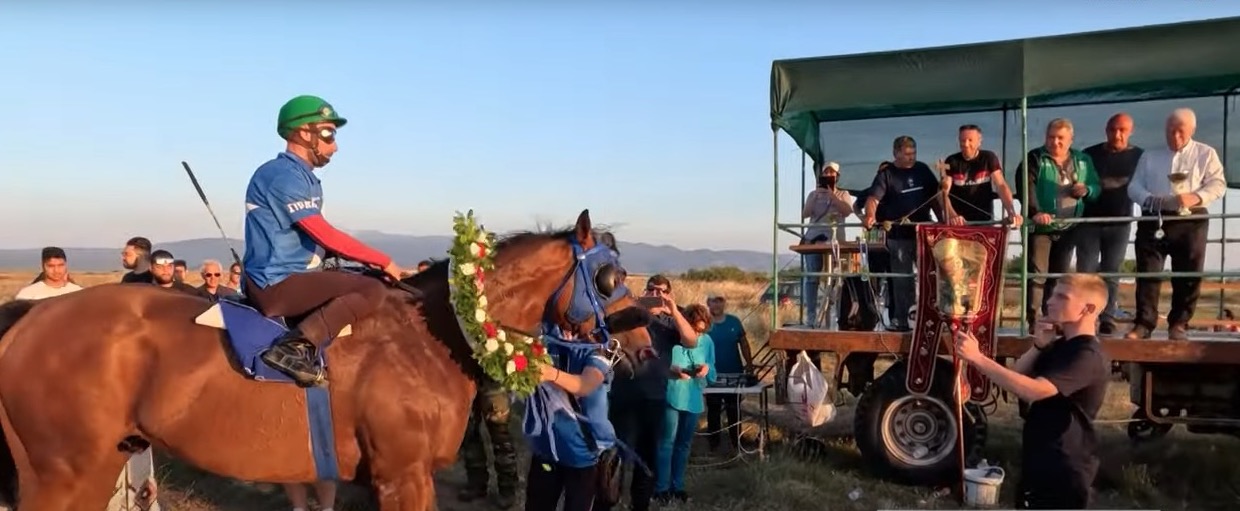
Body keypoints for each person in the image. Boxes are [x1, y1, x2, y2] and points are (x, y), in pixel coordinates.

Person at [241, 95, 408, 387]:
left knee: (370, 279)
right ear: (304, 133)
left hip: (292, 276)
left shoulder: (303, 177)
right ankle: (292, 348)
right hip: (275, 282)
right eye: (328, 134)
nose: (335, 145)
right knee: (372, 289)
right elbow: (324, 233)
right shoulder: (281, 175)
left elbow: (318, 240)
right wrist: (383, 260)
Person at [954, 273, 1111, 509]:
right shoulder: (1061, 346)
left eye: (1061, 296)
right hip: (1042, 456)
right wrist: (1038, 346)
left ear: (1088, 309)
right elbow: (1018, 377)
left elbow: (1035, 391)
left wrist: (978, 359)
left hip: (1066, 465)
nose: (1049, 301)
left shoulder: (1087, 355)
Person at [597, 275, 700, 511]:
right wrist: (637, 310)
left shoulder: (671, 320)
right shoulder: (630, 317)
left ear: (669, 294)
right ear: (643, 291)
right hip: (624, 393)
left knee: (648, 458)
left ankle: (639, 505)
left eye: (661, 291)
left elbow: (691, 341)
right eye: (651, 290)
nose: (655, 295)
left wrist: (673, 310)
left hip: (656, 397)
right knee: (616, 454)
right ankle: (605, 501)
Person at [1125, 107, 1226, 341]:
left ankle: (1179, 323)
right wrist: (1149, 199)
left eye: (1180, 132)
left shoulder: (1206, 153)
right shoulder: (1150, 156)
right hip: (1154, 218)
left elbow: (1218, 184)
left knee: (1188, 273)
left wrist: (1196, 196)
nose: (1175, 137)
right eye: (1170, 132)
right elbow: (1134, 186)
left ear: (1192, 130)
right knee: (1148, 273)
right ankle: (1144, 324)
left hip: (1191, 219)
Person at [1014, 118, 1100, 333]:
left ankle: (1054, 319)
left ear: (1070, 139)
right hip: (1040, 228)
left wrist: (1087, 190)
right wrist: (1035, 212)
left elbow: (1097, 187)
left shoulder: (1083, 160)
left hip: (1069, 227)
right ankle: (1034, 322)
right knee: (1037, 274)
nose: (1055, 142)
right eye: (1051, 137)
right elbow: (1025, 187)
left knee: (1059, 276)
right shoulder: (1034, 157)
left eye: (1060, 138)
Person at [524, 330, 615, 511]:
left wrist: (549, 373)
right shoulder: (542, 342)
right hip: (546, 451)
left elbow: (584, 385)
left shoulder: (597, 351)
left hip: (582, 456)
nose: (566, 327)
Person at [861, 136, 943, 331]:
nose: (911, 157)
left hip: (923, 232)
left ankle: (933, 318)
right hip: (898, 235)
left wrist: (943, 221)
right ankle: (902, 319)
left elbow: (935, 198)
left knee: (931, 276)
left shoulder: (922, 170)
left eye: (913, 153)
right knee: (901, 278)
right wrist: (870, 216)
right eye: (906, 154)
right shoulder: (886, 174)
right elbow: (872, 200)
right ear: (895, 153)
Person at [1078, 113, 1143, 335]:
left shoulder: (1139, 156)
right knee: (1085, 271)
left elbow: (1145, 186)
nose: (1117, 134)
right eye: (1113, 129)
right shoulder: (1089, 154)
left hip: (1120, 222)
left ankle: (1107, 317)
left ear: (1130, 131)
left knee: (1111, 271)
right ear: (1106, 131)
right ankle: (1082, 317)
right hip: (1088, 221)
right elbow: (1080, 180)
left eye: (1122, 130)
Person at [655, 304, 715, 504]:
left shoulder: (707, 341)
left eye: (701, 330)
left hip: (694, 397)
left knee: (684, 444)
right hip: (673, 393)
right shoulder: (673, 339)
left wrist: (706, 368)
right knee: (667, 442)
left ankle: (677, 486)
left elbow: (713, 370)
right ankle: (661, 488)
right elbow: (658, 363)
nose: (698, 334)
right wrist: (673, 369)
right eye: (695, 329)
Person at [799, 161, 854, 327]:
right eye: (826, 173)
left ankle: (839, 314)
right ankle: (811, 316)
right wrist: (815, 196)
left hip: (836, 240)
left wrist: (832, 196)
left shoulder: (843, 194)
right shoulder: (813, 194)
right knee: (812, 277)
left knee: (838, 278)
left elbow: (847, 211)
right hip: (815, 239)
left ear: (837, 176)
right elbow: (805, 214)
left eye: (832, 173)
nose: (829, 175)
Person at [939, 124, 1021, 227]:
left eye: (970, 140)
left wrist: (1011, 212)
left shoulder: (989, 158)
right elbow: (942, 193)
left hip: (984, 222)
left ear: (979, 142)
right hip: (959, 224)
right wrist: (952, 215)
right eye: (962, 140)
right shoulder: (951, 161)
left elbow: (1000, 185)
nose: (966, 144)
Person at [457, 378, 520, 509]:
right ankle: (476, 482)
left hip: (493, 378)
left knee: (500, 435)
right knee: (469, 432)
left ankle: (507, 488)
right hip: (465, 376)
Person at [704, 293, 750, 454]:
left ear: (724, 303)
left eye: (719, 301)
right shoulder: (704, 323)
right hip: (711, 375)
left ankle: (736, 441)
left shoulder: (734, 322)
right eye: (712, 301)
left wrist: (749, 364)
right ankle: (714, 444)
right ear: (707, 303)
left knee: (734, 409)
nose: (716, 305)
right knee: (714, 410)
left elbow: (744, 344)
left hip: (734, 373)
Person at [14, 247, 82, 300]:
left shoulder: (78, 293)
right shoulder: (27, 295)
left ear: (66, 265)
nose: (56, 270)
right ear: (43, 266)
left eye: (60, 265)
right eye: (51, 266)